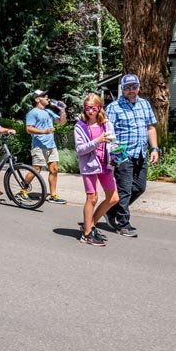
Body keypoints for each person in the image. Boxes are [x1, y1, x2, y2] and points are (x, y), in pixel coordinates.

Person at [104, 73, 159, 237]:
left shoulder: (145, 104)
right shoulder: (114, 107)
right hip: (121, 152)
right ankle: (123, 224)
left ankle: (111, 210)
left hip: (141, 152)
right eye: (127, 87)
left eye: (134, 87)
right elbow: (108, 132)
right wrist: (113, 155)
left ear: (138, 87)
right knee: (125, 189)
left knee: (140, 188)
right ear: (123, 89)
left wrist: (155, 148)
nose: (131, 90)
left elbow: (151, 128)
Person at [74, 93, 119, 246]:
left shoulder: (106, 124)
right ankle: (87, 234)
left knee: (113, 198)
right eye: (87, 108)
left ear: (99, 108)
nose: (90, 111)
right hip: (89, 166)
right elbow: (80, 149)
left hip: (105, 165)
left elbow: (112, 142)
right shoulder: (80, 126)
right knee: (92, 198)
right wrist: (97, 141)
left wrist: (117, 152)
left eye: (93, 108)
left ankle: (90, 224)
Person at [25, 89, 67, 204]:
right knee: (36, 169)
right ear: (37, 99)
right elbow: (28, 129)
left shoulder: (48, 111)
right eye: (44, 96)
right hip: (38, 146)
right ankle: (23, 190)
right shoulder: (33, 113)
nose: (47, 97)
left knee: (54, 169)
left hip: (51, 146)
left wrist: (62, 110)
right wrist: (44, 131)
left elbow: (61, 122)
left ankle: (53, 195)